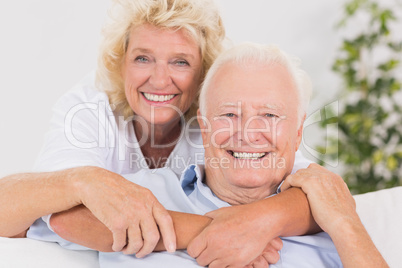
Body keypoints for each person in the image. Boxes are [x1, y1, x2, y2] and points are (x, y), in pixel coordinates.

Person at [0, 0, 323, 266]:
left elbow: (312, 189)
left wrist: (262, 220)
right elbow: (45, 216)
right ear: (120, 63)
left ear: (204, 74)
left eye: (180, 62)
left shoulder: (222, 121)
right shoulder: (88, 110)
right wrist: (217, 233)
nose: (158, 80)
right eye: (143, 58)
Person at [31, 43, 387, 267]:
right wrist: (211, 231)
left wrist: (342, 224)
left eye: (270, 115)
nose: (248, 133)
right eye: (229, 114)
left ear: (298, 132)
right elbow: (59, 218)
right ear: (203, 124)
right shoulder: (145, 194)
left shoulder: (326, 212)